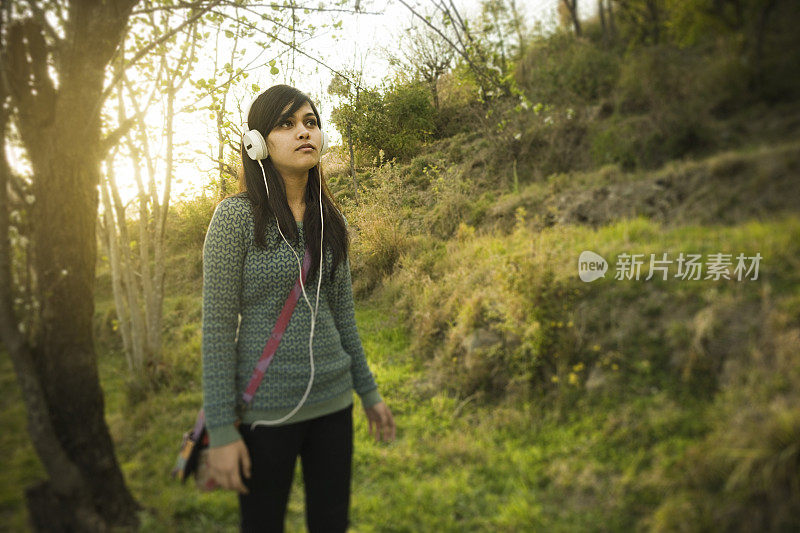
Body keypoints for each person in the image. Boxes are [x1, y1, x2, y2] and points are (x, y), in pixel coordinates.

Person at [201, 84, 395, 533]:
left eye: (310, 122)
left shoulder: (331, 220)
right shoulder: (235, 219)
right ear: (257, 143)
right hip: (265, 412)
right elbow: (215, 329)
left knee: (331, 523)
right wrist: (223, 430)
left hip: (332, 403)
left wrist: (369, 393)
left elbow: (344, 315)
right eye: (286, 124)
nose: (303, 132)